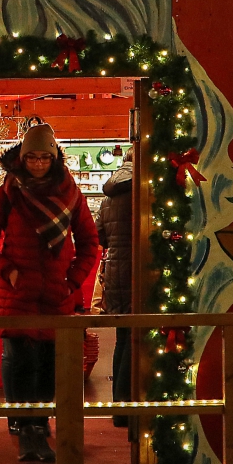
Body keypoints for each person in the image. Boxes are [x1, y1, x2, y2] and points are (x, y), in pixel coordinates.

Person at [0, 123, 101, 464]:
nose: (39, 163)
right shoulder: (9, 192)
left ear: (55, 157)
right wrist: (9, 270)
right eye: (32, 157)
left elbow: (90, 243)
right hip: (17, 293)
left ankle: (39, 425)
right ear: (22, 157)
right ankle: (24, 427)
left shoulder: (70, 192)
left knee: (48, 365)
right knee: (19, 360)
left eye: (46, 157)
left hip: (56, 294)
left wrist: (72, 281)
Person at [94, 162, 134, 431]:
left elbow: (99, 234)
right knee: (135, 336)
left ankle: (118, 405)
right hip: (135, 267)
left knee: (123, 335)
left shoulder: (109, 196)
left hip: (116, 268)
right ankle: (127, 407)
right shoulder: (142, 191)